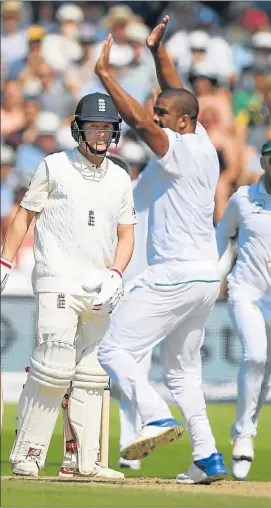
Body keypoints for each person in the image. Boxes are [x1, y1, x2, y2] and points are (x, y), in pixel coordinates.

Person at [96, 16, 227, 484]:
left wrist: (106, 76)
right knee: (182, 374)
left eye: (163, 117)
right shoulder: (203, 143)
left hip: (172, 276)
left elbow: (135, 119)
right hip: (204, 278)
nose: (155, 122)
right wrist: (158, 52)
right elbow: (176, 95)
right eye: (158, 116)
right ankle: (208, 458)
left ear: (182, 123)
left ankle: (155, 417)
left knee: (113, 351)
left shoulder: (177, 150)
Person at [1, 91, 137, 480]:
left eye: (107, 127)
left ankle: (83, 463)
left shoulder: (119, 177)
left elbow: (126, 236)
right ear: (79, 127)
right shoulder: (53, 166)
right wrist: (4, 260)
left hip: (98, 286)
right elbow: (24, 216)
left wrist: (116, 273)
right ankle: (27, 453)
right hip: (57, 276)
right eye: (94, 126)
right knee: (54, 363)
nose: (100, 133)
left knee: (92, 374)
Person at [216, 137, 271, 480]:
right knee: (253, 355)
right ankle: (243, 435)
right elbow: (223, 235)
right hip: (245, 291)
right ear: (263, 163)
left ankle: (248, 426)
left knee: (265, 373)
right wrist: (216, 276)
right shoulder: (243, 198)